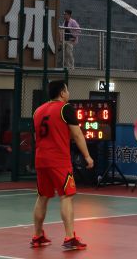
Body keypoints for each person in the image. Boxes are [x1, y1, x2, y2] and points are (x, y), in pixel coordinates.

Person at [31, 80, 94, 250]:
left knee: (42, 196)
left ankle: (38, 236)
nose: (68, 93)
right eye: (67, 90)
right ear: (62, 93)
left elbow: (37, 137)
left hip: (41, 159)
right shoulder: (65, 108)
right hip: (59, 160)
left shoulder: (38, 111)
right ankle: (70, 238)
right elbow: (77, 135)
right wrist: (87, 156)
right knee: (67, 196)